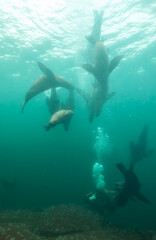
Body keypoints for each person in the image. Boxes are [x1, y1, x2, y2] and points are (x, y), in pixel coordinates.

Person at [86, 125, 154, 214]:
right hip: (128, 188)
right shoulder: (117, 195)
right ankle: (145, 131)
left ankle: (145, 131)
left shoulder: (115, 193)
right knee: (127, 174)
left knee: (126, 174)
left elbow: (127, 186)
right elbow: (129, 188)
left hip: (128, 187)